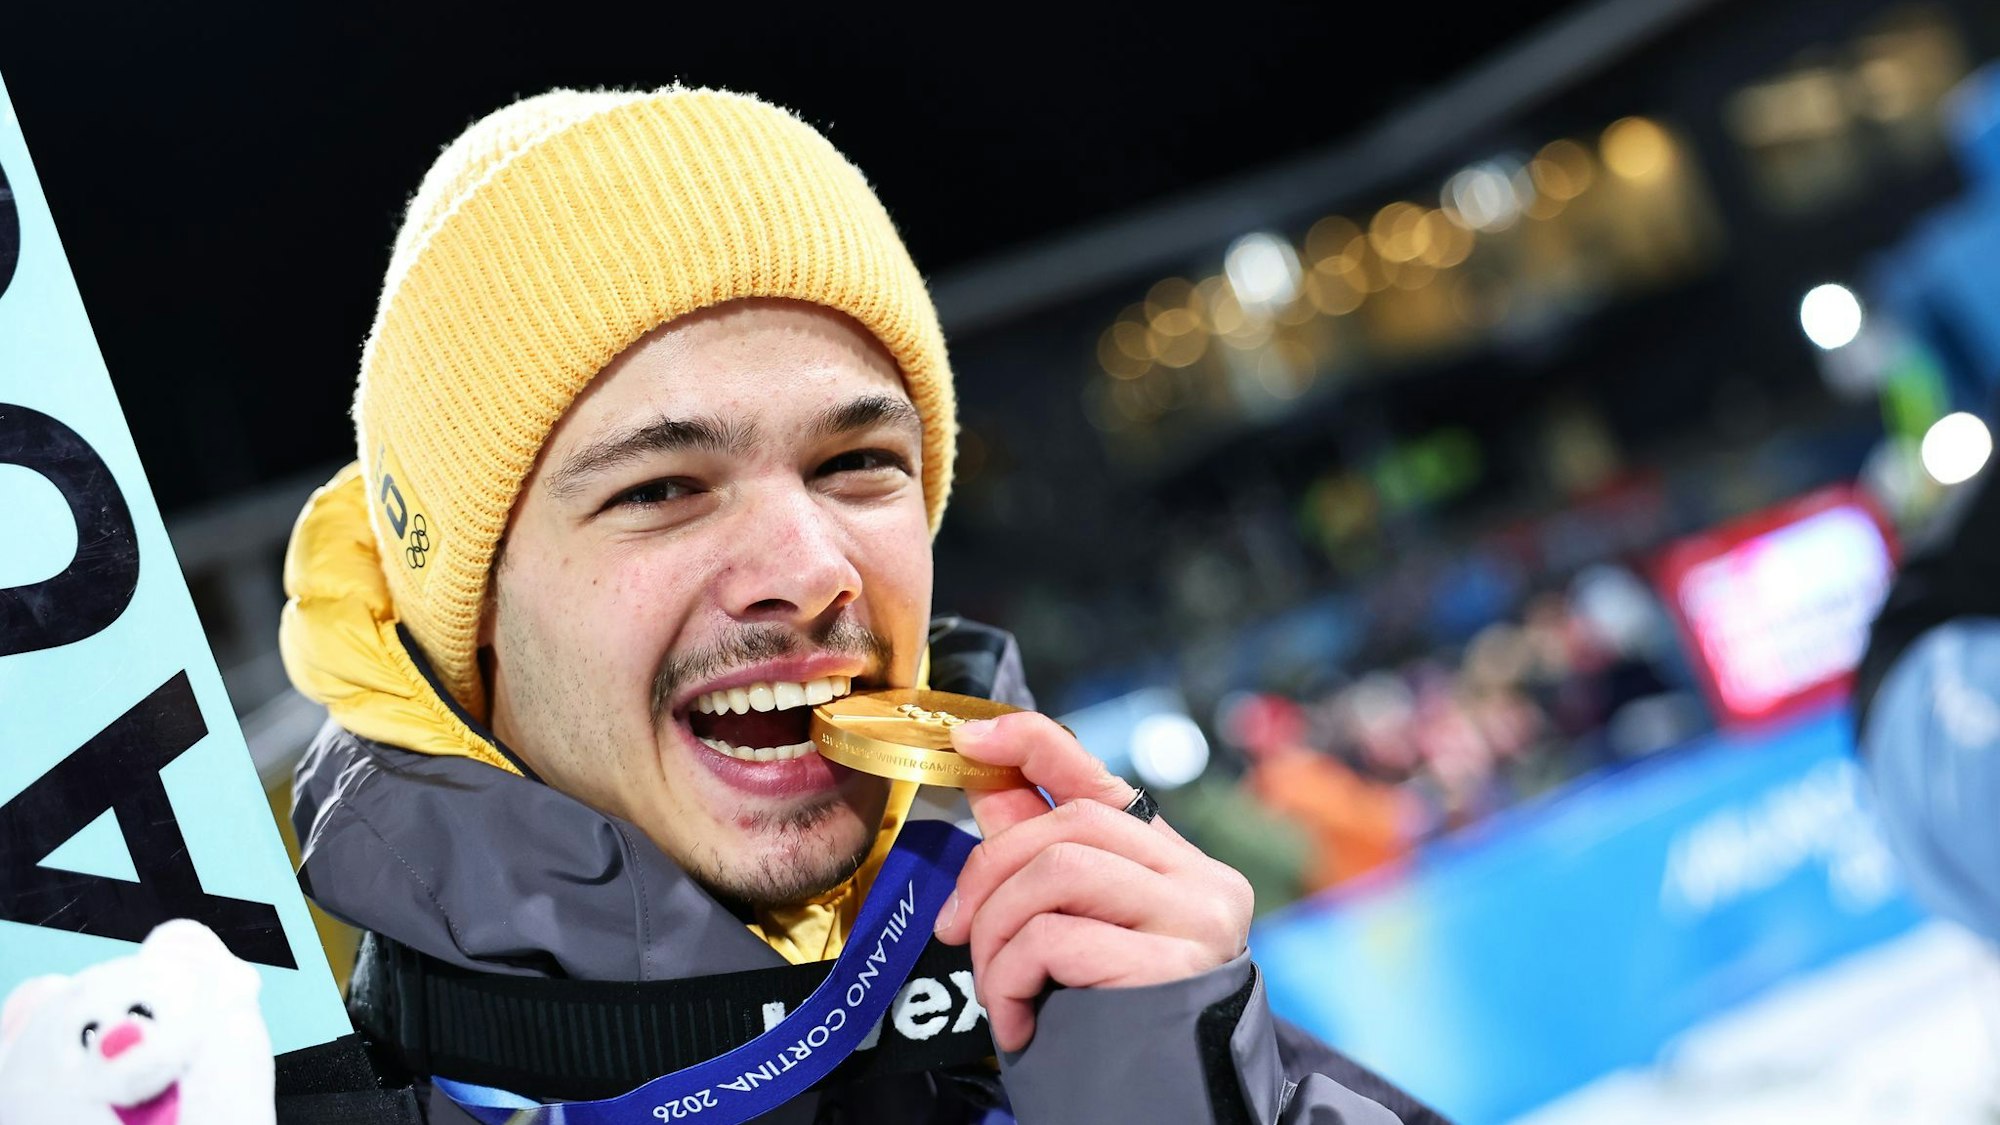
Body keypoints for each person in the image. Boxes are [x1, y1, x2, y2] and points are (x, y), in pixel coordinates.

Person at [281, 86, 1449, 1124]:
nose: (808, 565)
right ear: (471, 603)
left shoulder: (1154, 1023)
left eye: (855, 463)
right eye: (661, 488)